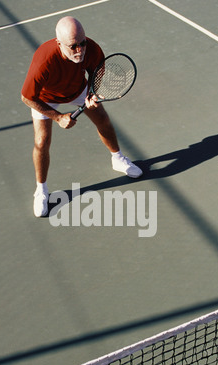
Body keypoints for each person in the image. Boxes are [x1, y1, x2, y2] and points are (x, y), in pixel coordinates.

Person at [21, 16, 142, 217]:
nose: (80, 50)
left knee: (102, 119)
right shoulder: (44, 60)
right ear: (59, 44)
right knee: (42, 141)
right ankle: (41, 190)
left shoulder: (92, 49)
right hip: (46, 97)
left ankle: (118, 159)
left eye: (83, 43)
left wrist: (92, 93)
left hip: (78, 89)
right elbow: (26, 97)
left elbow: (98, 72)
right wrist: (58, 117)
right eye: (73, 46)